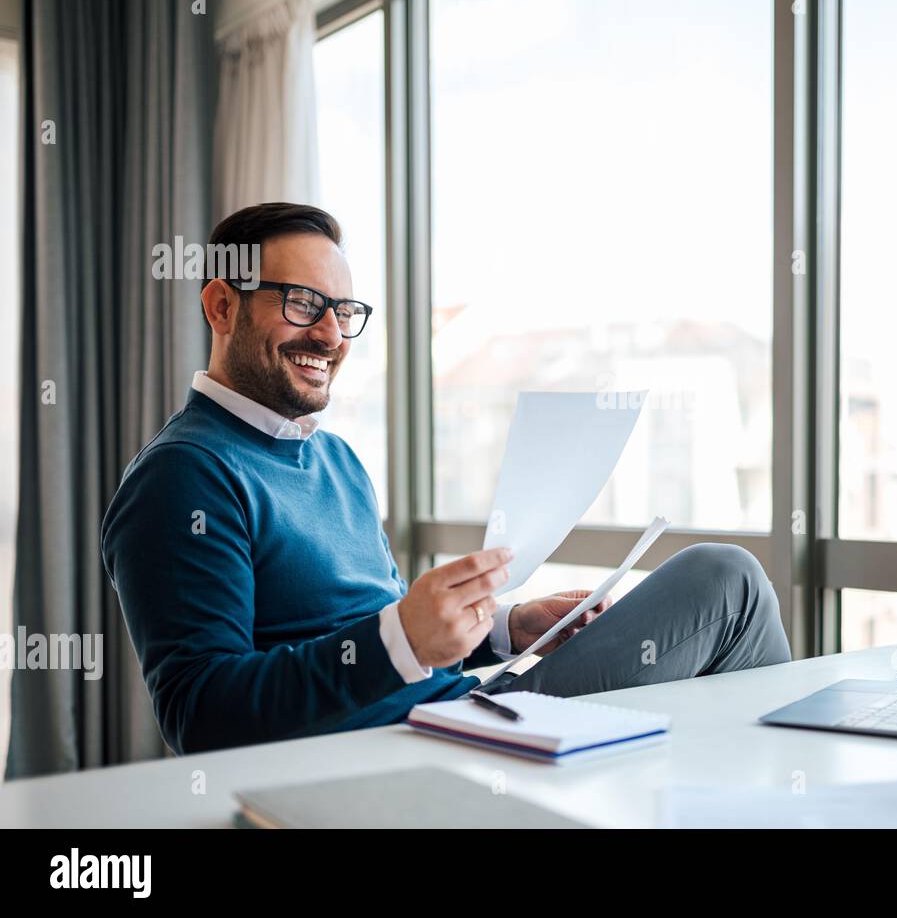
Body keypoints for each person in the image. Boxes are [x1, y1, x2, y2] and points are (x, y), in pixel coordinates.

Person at [101, 202, 791, 754]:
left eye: (344, 312)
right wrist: (399, 639)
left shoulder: (335, 459)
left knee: (727, 586)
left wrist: (505, 628)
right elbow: (200, 714)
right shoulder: (181, 477)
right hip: (398, 753)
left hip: (462, 712)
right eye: (303, 303)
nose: (333, 336)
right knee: (723, 581)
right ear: (222, 306)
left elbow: (388, 627)